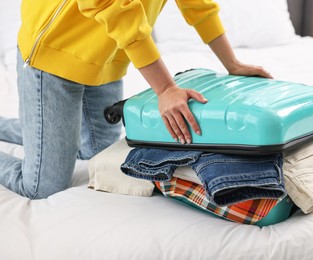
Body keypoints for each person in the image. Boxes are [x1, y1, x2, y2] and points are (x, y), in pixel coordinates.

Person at [0, 0, 272, 199]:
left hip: (106, 62)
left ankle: (28, 130)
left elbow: (198, 5)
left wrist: (232, 63)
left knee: (94, 152)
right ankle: (40, 134)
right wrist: (165, 88)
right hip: (54, 59)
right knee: (42, 187)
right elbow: (114, 8)